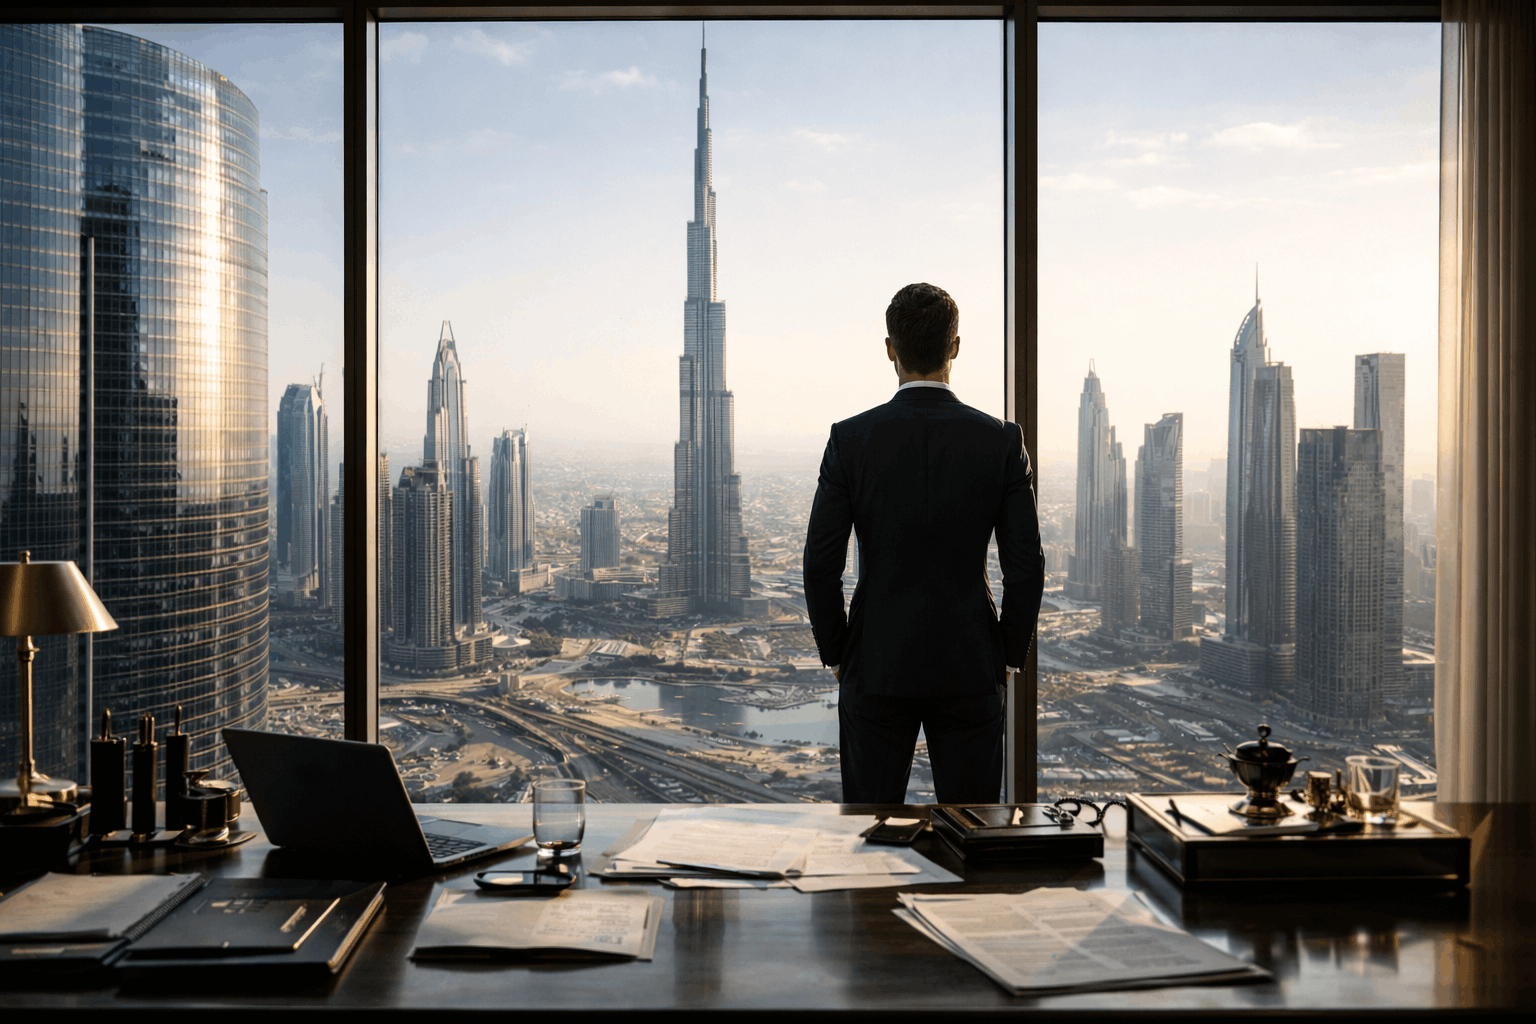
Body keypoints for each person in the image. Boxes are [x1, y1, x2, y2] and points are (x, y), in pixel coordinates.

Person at [802, 282, 1045, 803]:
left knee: (868, 832)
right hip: (971, 665)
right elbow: (1025, 568)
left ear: (890, 348)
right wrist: (1005, 655)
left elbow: (821, 564)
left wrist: (837, 652)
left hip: (875, 661)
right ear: (954, 347)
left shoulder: (850, 440)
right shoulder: (1001, 441)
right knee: (972, 833)